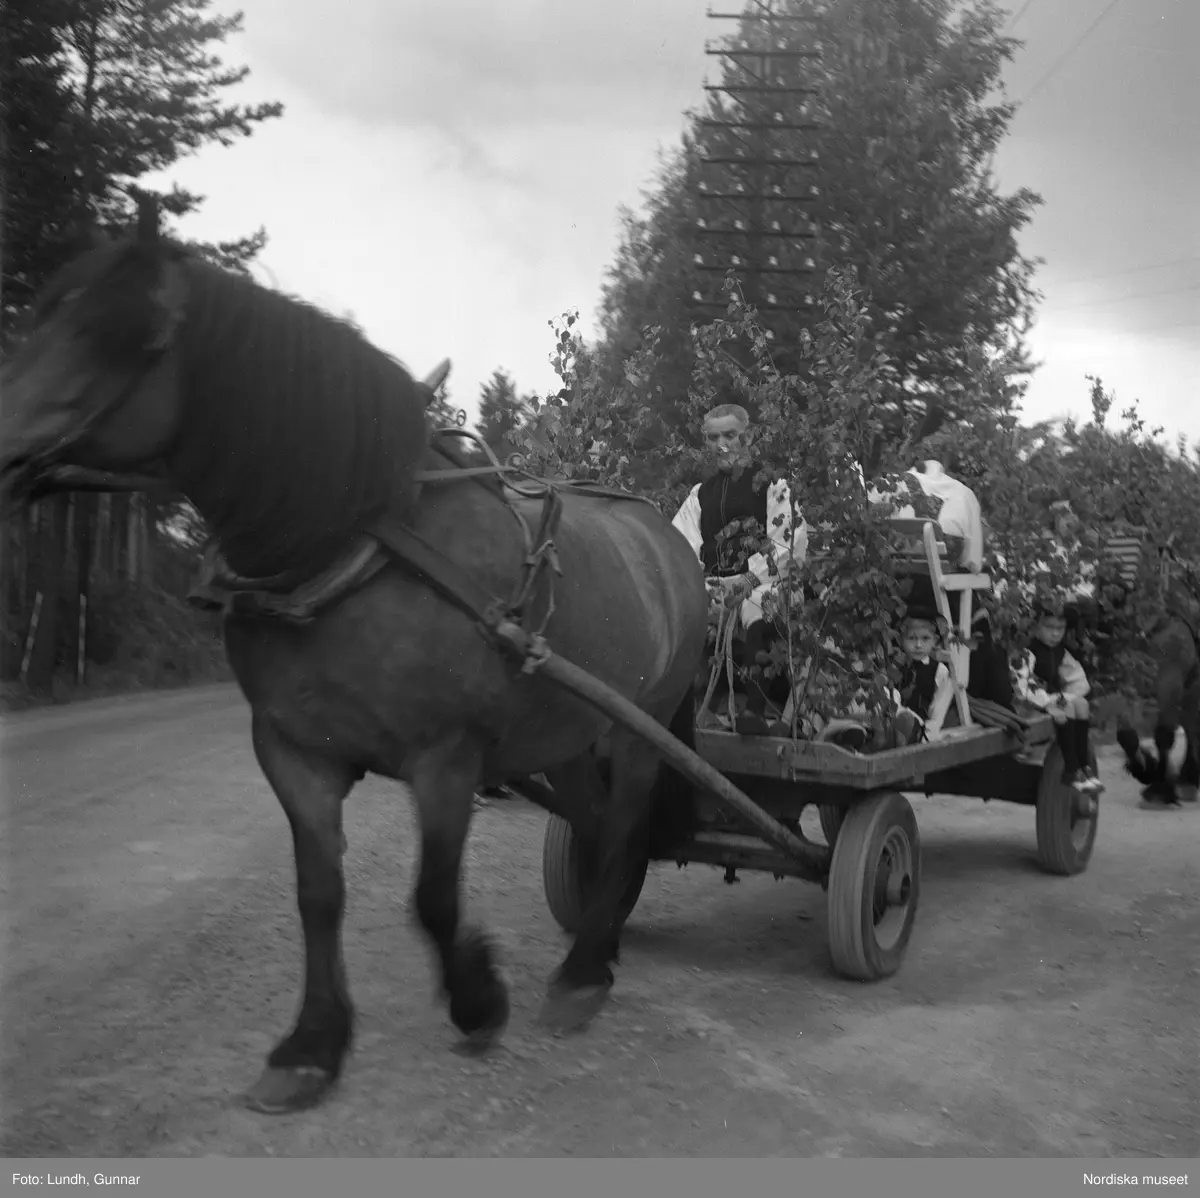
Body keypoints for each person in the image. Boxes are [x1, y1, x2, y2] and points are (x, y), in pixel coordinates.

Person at [671, 403, 807, 735]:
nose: (722, 445)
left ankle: (755, 714)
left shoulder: (775, 485)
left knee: (754, 605)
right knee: (677, 608)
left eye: (730, 435)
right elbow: (680, 545)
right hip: (717, 584)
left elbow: (788, 542)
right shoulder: (700, 495)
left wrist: (748, 580)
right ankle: (685, 712)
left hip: (768, 582)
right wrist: (702, 583)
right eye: (713, 437)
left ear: (747, 436)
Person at [1014, 601, 1104, 794]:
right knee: (1068, 707)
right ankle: (1071, 769)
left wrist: (1064, 696)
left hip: (1050, 699)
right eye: (1049, 627)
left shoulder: (1060, 652)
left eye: (1060, 628)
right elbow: (1021, 687)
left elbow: (1078, 681)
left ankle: (1083, 765)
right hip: (1029, 703)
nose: (1055, 634)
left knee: (1081, 704)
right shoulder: (1028, 650)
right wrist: (1051, 700)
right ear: (1036, 626)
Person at [891, 610, 951, 744]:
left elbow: (938, 709)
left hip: (922, 731)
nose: (918, 645)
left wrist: (926, 734)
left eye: (925, 639)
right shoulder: (895, 667)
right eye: (912, 638)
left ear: (934, 641)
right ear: (901, 640)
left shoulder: (939, 671)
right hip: (894, 726)